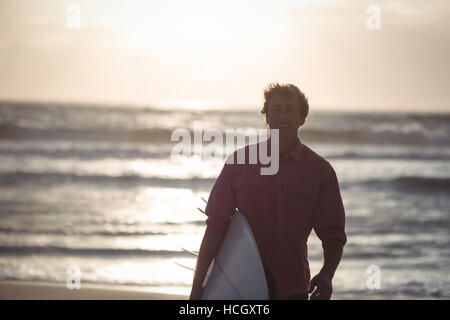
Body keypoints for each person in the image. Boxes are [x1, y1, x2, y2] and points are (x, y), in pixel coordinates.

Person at [190, 83, 347, 300]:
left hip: (293, 289)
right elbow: (216, 226)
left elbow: (333, 234)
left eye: (290, 110)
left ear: (302, 118)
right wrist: (198, 286)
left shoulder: (319, 172)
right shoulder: (239, 163)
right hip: (239, 287)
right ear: (266, 116)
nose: (283, 116)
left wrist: (327, 274)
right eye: (276, 109)